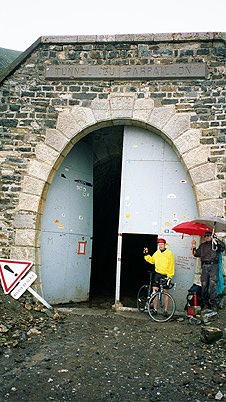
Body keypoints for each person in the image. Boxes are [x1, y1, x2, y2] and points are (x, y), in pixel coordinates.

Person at [192, 231, 226, 311]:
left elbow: (224, 247)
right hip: (204, 266)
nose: (207, 237)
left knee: (212, 286)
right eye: (205, 236)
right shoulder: (202, 246)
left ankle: (213, 304)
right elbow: (196, 254)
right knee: (204, 286)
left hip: (214, 266)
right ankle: (205, 304)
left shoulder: (216, 245)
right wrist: (193, 246)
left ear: (211, 236)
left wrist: (216, 239)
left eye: (208, 235)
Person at [143, 238, 175, 316]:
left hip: (165, 275)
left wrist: (169, 276)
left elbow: (172, 265)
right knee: (155, 292)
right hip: (157, 274)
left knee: (165, 292)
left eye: (162, 244)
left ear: (165, 245)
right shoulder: (157, 253)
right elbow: (151, 261)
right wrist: (146, 254)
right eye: (159, 244)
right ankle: (155, 309)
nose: (160, 246)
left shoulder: (169, 254)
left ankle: (166, 311)